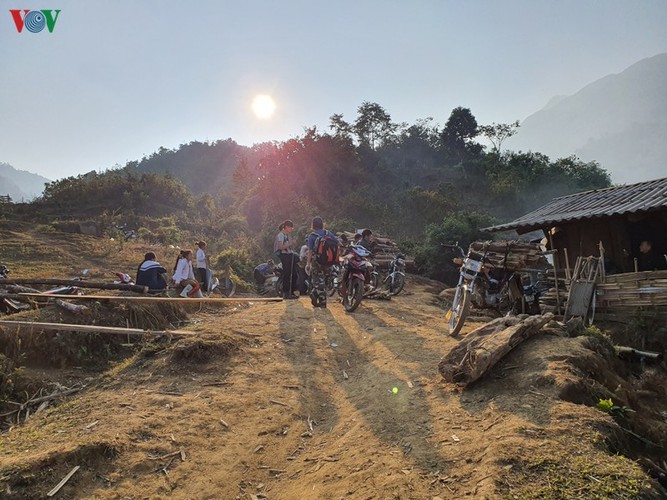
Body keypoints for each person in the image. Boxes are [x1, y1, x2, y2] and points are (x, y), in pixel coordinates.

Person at [306, 216, 339, 308]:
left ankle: (322, 301)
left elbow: (310, 251)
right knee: (323, 280)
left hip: (317, 262)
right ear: (322, 224)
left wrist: (308, 264)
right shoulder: (329, 233)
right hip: (328, 262)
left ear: (313, 225)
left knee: (318, 282)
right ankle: (316, 296)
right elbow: (338, 244)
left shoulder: (312, 236)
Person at [274, 220, 299, 299]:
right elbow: (281, 246)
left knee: (294, 274)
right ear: (287, 227)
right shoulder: (280, 235)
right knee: (287, 274)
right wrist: (291, 243)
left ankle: (291, 292)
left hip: (289, 254)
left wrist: (292, 243)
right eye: (291, 227)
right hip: (284, 255)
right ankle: (286, 293)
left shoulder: (288, 235)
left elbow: (290, 245)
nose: (291, 229)